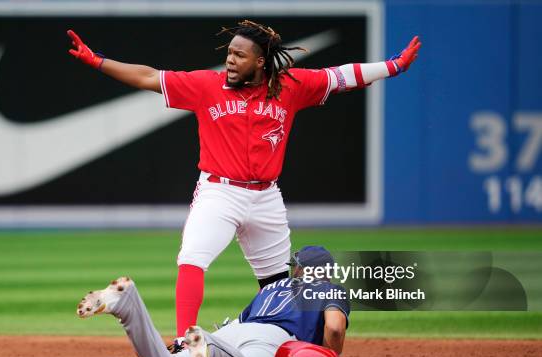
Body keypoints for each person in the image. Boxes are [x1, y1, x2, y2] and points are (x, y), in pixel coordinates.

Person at [67, 21, 420, 339]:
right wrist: (98, 61)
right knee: (192, 258)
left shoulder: (291, 87)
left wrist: (394, 66)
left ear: (261, 62)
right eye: (230, 53)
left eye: (239, 55)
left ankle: (274, 343)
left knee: (277, 286)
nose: (231, 61)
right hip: (219, 193)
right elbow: (147, 77)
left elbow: (342, 76)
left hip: (266, 198)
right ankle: (182, 343)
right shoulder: (206, 85)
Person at [76, 245, 350, 357]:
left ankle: (128, 303)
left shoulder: (272, 288)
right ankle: (205, 342)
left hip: (232, 333)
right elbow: (335, 328)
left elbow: (243, 322)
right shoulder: (330, 288)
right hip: (273, 343)